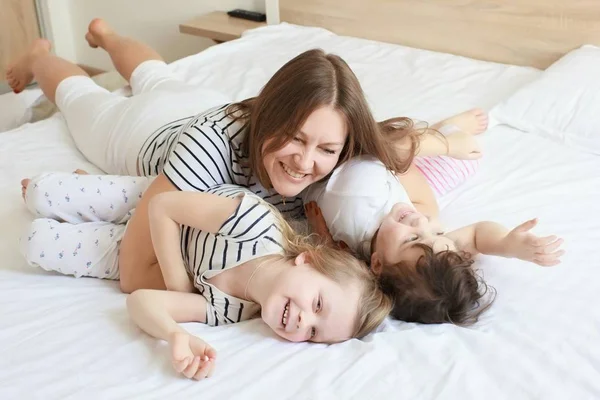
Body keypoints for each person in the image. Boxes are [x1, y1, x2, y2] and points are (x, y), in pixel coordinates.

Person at [7, 19, 479, 293]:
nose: (305, 162)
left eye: (326, 149)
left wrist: (445, 140)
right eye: (295, 139)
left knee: (157, 74)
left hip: (202, 101)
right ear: (273, 115)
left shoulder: (341, 153)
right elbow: (133, 272)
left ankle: (107, 37)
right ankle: (39, 57)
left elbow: (397, 158)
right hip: (147, 135)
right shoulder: (207, 151)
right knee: (82, 98)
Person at [19, 172, 392, 380]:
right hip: (150, 203)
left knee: (36, 243)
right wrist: (178, 285)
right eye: (317, 304)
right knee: (40, 192)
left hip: (141, 252)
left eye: (313, 333)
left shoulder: (232, 309)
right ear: (308, 260)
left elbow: (141, 301)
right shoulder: (257, 227)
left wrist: (175, 334)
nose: (301, 320)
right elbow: (164, 206)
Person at [304, 143, 564, 325]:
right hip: (385, 175)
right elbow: (475, 236)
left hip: (372, 163)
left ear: (377, 264)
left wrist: (322, 238)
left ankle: (442, 137)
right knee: (464, 166)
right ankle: (445, 136)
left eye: (413, 238)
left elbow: (382, 143)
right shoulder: (401, 251)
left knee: (448, 165)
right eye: (439, 232)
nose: (422, 223)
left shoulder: (359, 195)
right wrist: (506, 245)